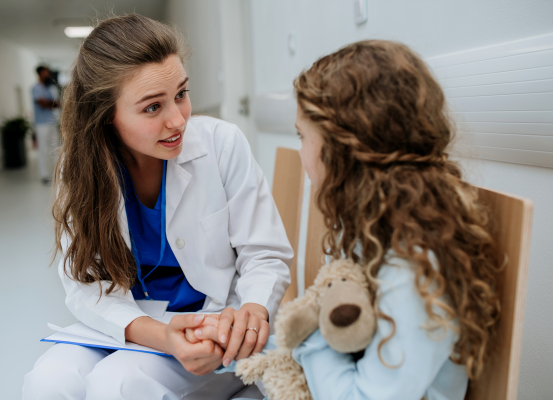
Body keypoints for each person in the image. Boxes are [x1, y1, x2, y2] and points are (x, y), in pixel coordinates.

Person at [205, 40, 501, 400]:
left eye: (303, 136)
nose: (301, 152)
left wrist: (308, 335)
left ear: (342, 151)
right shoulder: (376, 232)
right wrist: (232, 339)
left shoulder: (414, 269)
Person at [22, 14, 292, 400]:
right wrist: (162, 335)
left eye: (181, 94)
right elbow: (84, 287)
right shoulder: (78, 168)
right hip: (127, 321)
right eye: (152, 108)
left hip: (211, 327)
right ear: (106, 116)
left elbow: (264, 253)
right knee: (48, 383)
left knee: (118, 385)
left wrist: (251, 310)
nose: (178, 119)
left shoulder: (222, 145)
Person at [31, 65, 60, 185]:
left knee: (55, 148)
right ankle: (44, 175)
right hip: (41, 123)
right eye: (45, 73)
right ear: (40, 73)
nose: (48, 75)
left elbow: (57, 104)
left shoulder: (50, 88)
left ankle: (58, 174)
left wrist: (50, 103)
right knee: (42, 149)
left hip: (51, 122)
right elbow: (42, 103)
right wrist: (51, 103)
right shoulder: (35, 88)